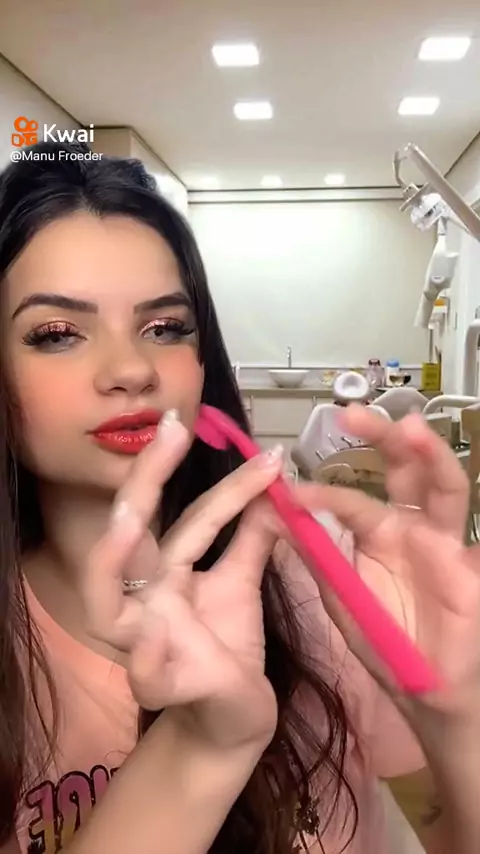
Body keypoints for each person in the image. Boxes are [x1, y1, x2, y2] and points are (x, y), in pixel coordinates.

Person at [0, 140, 479, 854]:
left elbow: (444, 825)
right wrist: (202, 744)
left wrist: (459, 720)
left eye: (165, 327)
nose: (131, 368)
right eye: (57, 333)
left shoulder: (322, 588)